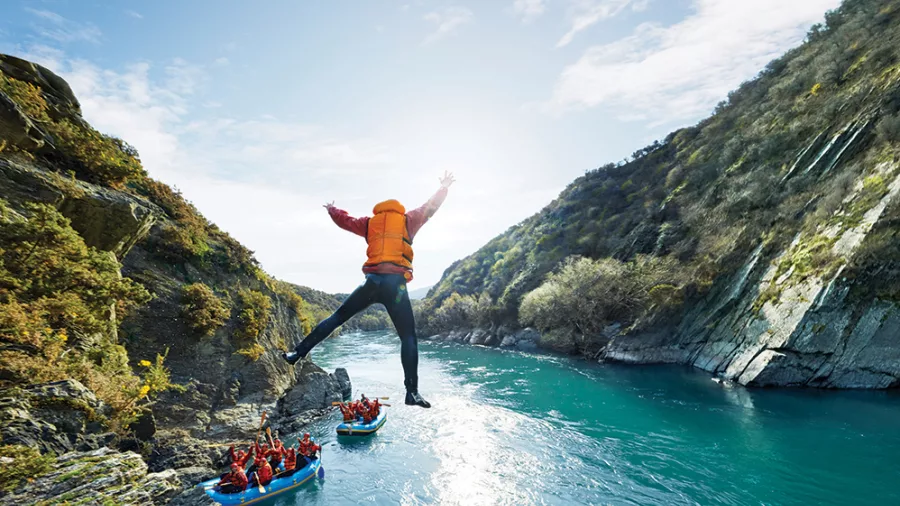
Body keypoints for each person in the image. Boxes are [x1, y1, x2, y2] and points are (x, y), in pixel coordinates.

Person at [283, 172, 457, 408]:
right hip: (395, 286)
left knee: (336, 318)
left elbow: (345, 221)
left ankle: (297, 353)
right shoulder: (408, 220)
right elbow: (431, 207)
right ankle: (412, 392)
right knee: (408, 337)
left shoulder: (369, 223)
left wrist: (332, 210)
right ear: (397, 209)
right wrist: (444, 187)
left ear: (380, 210)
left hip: (372, 282)